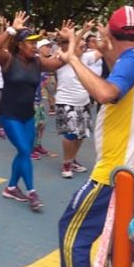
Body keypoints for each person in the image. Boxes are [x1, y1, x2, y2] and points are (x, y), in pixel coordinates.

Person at [56, 6, 134, 267]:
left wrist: (73, 59)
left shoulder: (131, 62)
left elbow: (106, 93)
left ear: (112, 36)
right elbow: (120, 78)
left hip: (113, 174)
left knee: (72, 234)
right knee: (118, 242)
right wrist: (103, 51)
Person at [0, 12, 64, 211]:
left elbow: (59, 63)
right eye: (30, 43)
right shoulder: (7, 59)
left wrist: (68, 43)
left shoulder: (38, 62)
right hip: (9, 115)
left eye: (35, 43)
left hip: (27, 116)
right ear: (20, 45)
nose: (34, 46)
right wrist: (11, 29)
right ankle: (32, 192)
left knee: (23, 151)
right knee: (24, 150)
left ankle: (11, 187)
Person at [54, 37, 92, 179]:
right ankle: (66, 163)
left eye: (84, 46)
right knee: (69, 134)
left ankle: (72, 159)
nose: (84, 48)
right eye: (80, 46)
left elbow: (103, 50)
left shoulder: (86, 58)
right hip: (66, 102)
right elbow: (70, 45)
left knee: (81, 134)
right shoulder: (62, 58)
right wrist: (73, 36)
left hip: (84, 102)